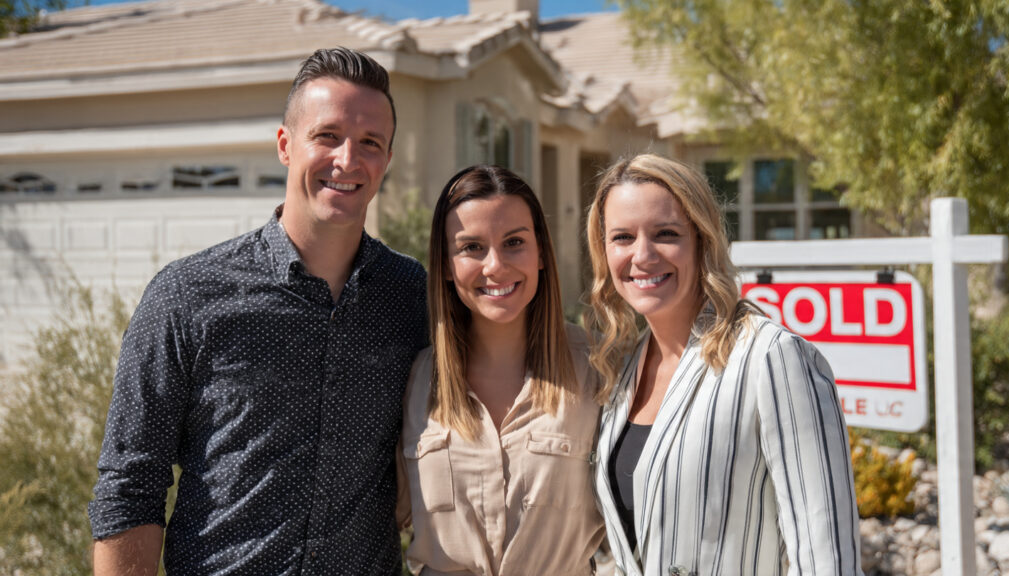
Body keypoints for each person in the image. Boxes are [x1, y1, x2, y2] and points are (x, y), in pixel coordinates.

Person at [88, 47, 428, 575]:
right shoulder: (188, 296)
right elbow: (131, 485)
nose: (347, 159)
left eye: (370, 143)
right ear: (285, 145)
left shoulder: (412, 297)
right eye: (327, 136)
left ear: (386, 159)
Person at [585, 154, 862, 576]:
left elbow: (827, 558)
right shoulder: (622, 367)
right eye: (622, 237)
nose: (642, 255)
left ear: (702, 239)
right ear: (604, 251)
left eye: (665, 233)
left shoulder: (771, 356)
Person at [397, 165, 605, 576]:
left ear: (541, 253)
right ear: (445, 265)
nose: (495, 265)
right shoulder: (412, 382)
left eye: (514, 243)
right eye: (471, 247)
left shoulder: (598, 368)